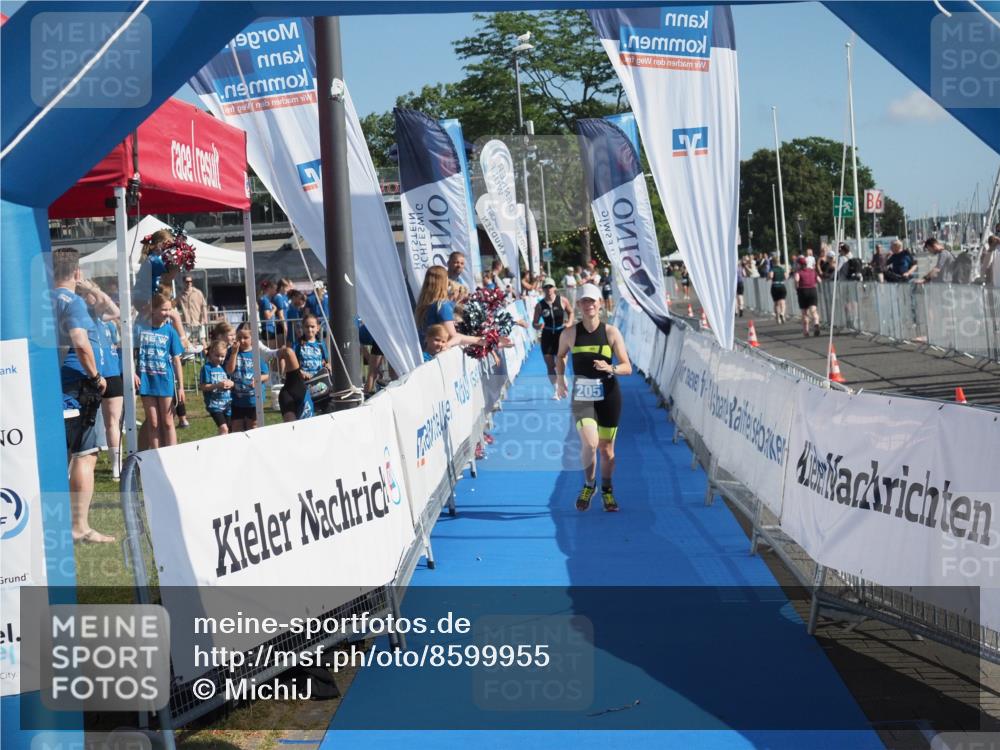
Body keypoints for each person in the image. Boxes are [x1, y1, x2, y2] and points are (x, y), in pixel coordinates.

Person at [51, 248, 114, 543]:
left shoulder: (40, 301)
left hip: (50, 383)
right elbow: (80, 342)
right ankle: (79, 526)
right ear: (77, 273)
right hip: (77, 384)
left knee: (57, 454)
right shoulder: (73, 302)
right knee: (85, 455)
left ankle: (56, 522)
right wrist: (95, 376)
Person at [555, 284, 632, 513]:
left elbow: (627, 366)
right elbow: (560, 357)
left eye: (592, 301)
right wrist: (560, 380)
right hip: (582, 397)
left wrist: (611, 368)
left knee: (607, 451)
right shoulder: (569, 333)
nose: (589, 305)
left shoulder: (611, 332)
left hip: (608, 396)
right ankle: (590, 485)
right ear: (578, 305)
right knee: (590, 443)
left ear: (600, 303)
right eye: (584, 301)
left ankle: (607, 489)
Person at [80, 280, 123, 480]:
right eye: (90, 293)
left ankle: (116, 465)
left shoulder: (103, 318)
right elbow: (102, 301)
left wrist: (92, 288)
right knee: (85, 421)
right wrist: (89, 290)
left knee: (112, 422)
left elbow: (114, 309)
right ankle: (78, 461)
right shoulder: (84, 313)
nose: (96, 296)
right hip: (94, 373)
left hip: (112, 372)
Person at [135, 293, 185, 449]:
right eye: (164, 309)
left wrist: (181, 386)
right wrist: (133, 373)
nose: (167, 313)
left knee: (168, 421)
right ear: (153, 309)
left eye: (170, 309)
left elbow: (176, 359)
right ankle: (155, 456)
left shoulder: (170, 331)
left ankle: (171, 455)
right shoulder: (140, 328)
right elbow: (131, 352)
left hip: (165, 380)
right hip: (146, 380)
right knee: (154, 422)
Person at [415, 266, 487, 348]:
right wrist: (478, 340)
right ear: (443, 281)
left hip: (422, 353)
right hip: (435, 355)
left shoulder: (422, 305)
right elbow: (453, 337)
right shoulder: (442, 305)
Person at [532, 277, 575, 398]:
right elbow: (534, 323)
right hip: (547, 335)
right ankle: (556, 389)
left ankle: (561, 384)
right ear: (543, 289)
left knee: (561, 362)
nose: (548, 289)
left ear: (555, 288)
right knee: (550, 366)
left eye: (550, 287)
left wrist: (570, 323)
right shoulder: (539, 305)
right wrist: (538, 325)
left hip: (561, 334)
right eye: (546, 287)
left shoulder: (563, 300)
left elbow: (571, 312)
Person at [226, 323, 269, 432]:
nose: (242, 341)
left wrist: (258, 379)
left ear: (253, 338)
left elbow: (266, 374)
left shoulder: (256, 354)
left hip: (253, 399)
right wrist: (234, 353)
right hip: (237, 399)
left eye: (246, 338)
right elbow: (229, 370)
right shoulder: (232, 352)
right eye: (239, 337)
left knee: (253, 427)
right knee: (236, 427)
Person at [200, 340, 234, 435]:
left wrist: (231, 384)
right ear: (210, 353)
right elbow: (203, 386)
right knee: (224, 429)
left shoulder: (224, 367)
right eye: (217, 355)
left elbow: (230, 381)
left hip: (227, 404)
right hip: (214, 405)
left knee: (229, 430)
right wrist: (217, 385)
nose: (220, 359)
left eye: (222, 356)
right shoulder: (206, 368)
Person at [275, 345, 315, 422]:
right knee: (292, 426)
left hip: (301, 386)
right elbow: (288, 352)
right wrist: (275, 353)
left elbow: (288, 352)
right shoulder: (294, 383)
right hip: (295, 386)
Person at [294, 314, 329, 379]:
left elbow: (326, 362)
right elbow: (294, 365)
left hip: (319, 380)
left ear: (318, 328)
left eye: (312, 327)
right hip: (304, 381)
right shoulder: (298, 345)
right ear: (303, 327)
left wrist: (328, 367)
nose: (310, 329)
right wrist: (301, 372)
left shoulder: (321, 345)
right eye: (307, 327)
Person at [177, 274, 209, 345]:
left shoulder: (198, 292)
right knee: (184, 340)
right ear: (183, 282)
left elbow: (204, 305)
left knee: (203, 340)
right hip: (187, 322)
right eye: (187, 281)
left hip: (198, 321)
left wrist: (205, 318)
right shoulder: (180, 295)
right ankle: (189, 355)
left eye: (190, 281)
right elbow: (173, 305)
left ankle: (207, 355)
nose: (189, 283)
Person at [794, 256, 821, 337]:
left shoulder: (798, 272)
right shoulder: (813, 271)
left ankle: (806, 331)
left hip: (803, 291)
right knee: (813, 310)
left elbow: (796, 279)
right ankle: (816, 323)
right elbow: (819, 280)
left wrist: (796, 288)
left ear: (799, 264)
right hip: (812, 290)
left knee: (805, 312)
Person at [768, 255, 789, 325]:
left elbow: (771, 276)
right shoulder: (782, 269)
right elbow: (786, 276)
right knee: (783, 301)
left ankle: (778, 318)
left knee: (776, 303)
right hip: (782, 286)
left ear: (773, 262)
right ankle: (782, 313)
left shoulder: (772, 269)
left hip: (775, 286)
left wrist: (768, 278)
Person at [272, 278, 292, 345]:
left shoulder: (285, 297)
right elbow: (280, 314)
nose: (289, 288)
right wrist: (285, 327)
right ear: (282, 287)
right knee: (282, 346)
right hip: (281, 326)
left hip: (286, 323)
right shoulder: (278, 297)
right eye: (287, 286)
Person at [258, 279, 277, 346]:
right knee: (271, 350)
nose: (275, 291)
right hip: (268, 329)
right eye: (274, 289)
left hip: (268, 329)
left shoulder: (264, 299)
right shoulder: (265, 300)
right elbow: (268, 316)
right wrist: (274, 309)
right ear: (269, 288)